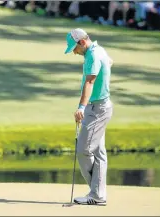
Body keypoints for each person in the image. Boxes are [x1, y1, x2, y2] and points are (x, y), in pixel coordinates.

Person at [64, 28, 113, 205]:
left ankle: (97, 193)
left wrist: (81, 108)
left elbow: (90, 82)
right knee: (99, 152)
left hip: (96, 109)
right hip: (100, 107)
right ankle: (98, 194)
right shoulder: (99, 50)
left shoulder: (92, 55)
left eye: (74, 48)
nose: (74, 52)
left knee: (84, 150)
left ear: (82, 42)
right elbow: (108, 61)